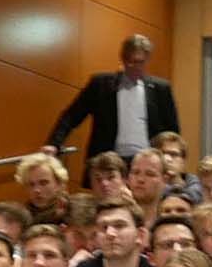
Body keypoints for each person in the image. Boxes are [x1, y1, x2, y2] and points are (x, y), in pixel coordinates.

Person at [46, 31, 181, 172]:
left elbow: (172, 132)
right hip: (109, 161)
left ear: (147, 60)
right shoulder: (100, 85)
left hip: (148, 163)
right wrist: (53, 144)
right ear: (122, 59)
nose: (133, 66)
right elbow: (71, 116)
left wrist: (172, 161)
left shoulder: (161, 89)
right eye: (130, 61)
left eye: (139, 62)